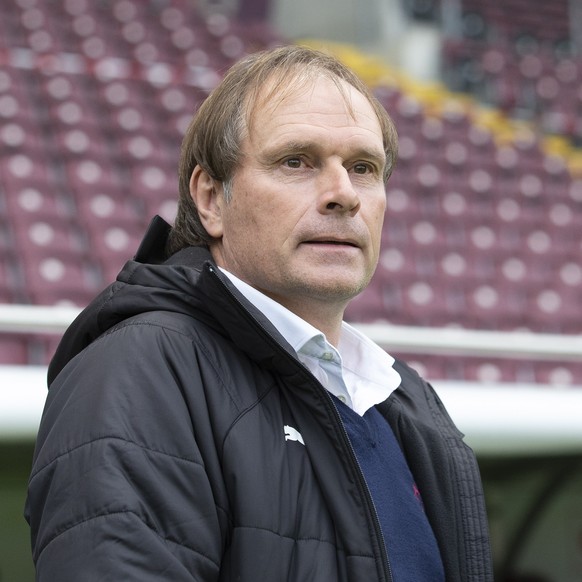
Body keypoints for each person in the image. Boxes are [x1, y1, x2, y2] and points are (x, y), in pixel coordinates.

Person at [26, 45, 493, 581]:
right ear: (211, 199)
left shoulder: (406, 398)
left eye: (363, 168)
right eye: (296, 161)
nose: (344, 195)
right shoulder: (138, 371)